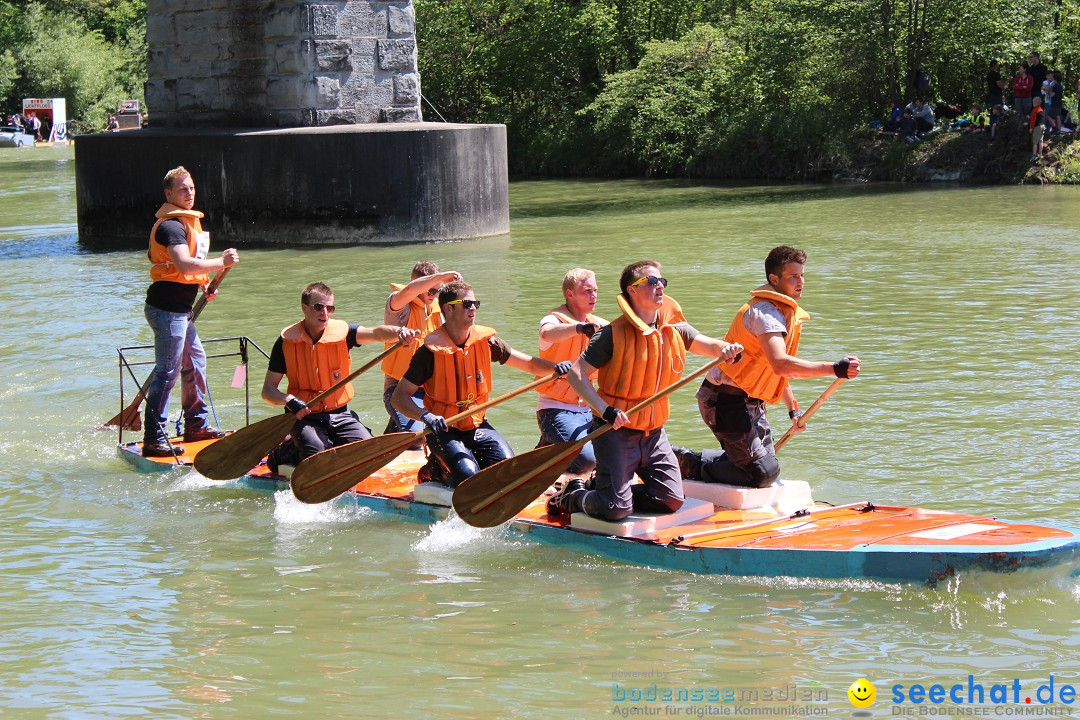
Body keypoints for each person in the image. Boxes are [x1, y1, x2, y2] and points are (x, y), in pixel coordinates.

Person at [545, 261, 744, 522]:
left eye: (662, 281)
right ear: (632, 290)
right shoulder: (611, 334)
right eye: (651, 282)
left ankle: (606, 492)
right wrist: (605, 411)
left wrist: (727, 350)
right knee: (616, 510)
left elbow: (711, 346)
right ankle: (573, 495)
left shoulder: (676, 328)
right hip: (615, 432)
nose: (660, 286)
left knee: (671, 500)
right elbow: (576, 374)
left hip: (654, 434)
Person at [670, 246, 861, 489]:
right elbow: (781, 365)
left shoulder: (783, 312)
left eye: (802, 275)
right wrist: (834, 368)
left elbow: (770, 371)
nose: (801, 282)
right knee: (761, 474)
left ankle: (710, 460)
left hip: (750, 402)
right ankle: (688, 464)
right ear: (774, 279)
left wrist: (794, 410)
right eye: (793, 276)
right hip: (724, 400)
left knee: (767, 465)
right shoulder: (765, 314)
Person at [391, 280, 572, 488]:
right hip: (443, 431)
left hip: (477, 425)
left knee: (508, 472)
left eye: (475, 303)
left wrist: (555, 368)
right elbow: (399, 397)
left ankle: (464, 463)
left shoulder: (486, 342)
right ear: (448, 309)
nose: (473, 309)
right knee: (468, 478)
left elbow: (529, 364)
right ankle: (435, 470)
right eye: (467, 304)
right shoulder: (428, 353)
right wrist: (426, 416)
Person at [142, 166, 239, 456]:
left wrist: (205, 285)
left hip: (181, 311)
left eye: (192, 188)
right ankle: (154, 437)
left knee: (195, 362)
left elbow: (193, 270)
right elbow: (184, 265)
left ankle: (196, 424)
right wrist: (221, 262)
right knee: (168, 372)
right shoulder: (171, 226)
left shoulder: (187, 223)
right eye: (183, 189)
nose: (189, 193)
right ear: (168, 193)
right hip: (165, 310)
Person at [261, 282, 419, 461]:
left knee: (368, 451)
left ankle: (324, 441)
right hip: (303, 416)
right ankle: (286, 450)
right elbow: (268, 390)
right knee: (317, 453)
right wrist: (288, 400)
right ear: (304, 308)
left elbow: (376, 333)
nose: (325, 313)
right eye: (319, 307)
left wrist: (400, 332)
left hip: (340, 414)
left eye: (330, 308)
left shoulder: (344, 333)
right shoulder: (285, 342)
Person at [534, 268, 609, 476]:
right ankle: (551, 459)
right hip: (555, 409)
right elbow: (547, 333)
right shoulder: (553, 320)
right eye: (587, 291)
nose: (593, 295)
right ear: (570, 294)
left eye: (595, 290)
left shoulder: (600, 324)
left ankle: (548, 450)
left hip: (588, 409)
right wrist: (579, 328)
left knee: (612, 454)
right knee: (587, 461)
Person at [381, 261, 462, 444]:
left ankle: (392, 434)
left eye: (437, 291)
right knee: (419, 438)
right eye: (430, 290)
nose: (434, 295)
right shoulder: (399, 306)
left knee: (454, 428)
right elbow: (410, 291)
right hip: (400, 390)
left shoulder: (436, 310)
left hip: (429, 390)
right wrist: (441, 277)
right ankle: (403, 433)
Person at [1030, 96, 1046, 162]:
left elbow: (1033, 120)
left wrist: (1031, 128)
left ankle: (1034, 155)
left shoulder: (1035, 110)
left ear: (1035, 103)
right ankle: (1040, 154)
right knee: (1041, 140)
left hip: (1037, 127)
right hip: (1042, 126)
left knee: (1035, 142)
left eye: (1033, 102)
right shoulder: (1041, 109)